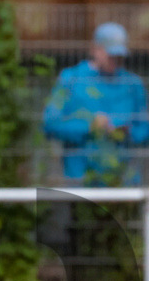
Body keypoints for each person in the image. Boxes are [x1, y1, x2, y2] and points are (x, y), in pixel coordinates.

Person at [43, 22, 149, 186]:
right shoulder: (71, 79)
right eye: (111, 55)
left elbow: (144, 129)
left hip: (122, 180)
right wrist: (89, 127)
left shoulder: (132, 84)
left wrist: (127, 131)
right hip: (80, 179)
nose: (116, 61)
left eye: (120, 56)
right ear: (94, 49)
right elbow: (50, 124)